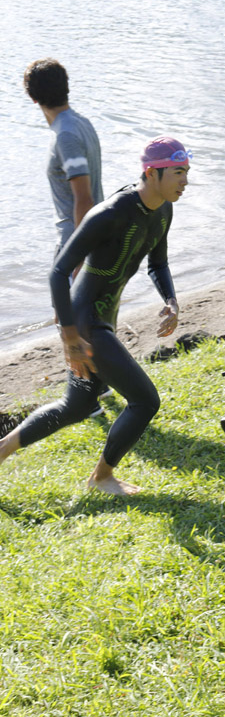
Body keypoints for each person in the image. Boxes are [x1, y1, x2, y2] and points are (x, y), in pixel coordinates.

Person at [0, 136, 190, 496]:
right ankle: (101, 478)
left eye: (187, 172)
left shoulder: (163, 210)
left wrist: (171, 300)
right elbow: (58, 272)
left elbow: (158, 263)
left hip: (104, 318)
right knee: (145, 401)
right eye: (178, 172)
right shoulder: (110, 214)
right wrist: (70, 336)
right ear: (152, 173)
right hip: (85, 323)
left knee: (77, 406)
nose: (185, 181)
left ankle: (2, 449)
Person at [24, 58, 108, 416]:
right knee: (86, 316)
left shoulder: (67, 134)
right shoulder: (79, 123)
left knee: (69, 319)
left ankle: (85, 401)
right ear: (66, 87)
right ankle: (100, 385)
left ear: (32, 97)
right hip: (88, 235)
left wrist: (77, 256)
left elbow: (83, 197)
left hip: (77, 237)